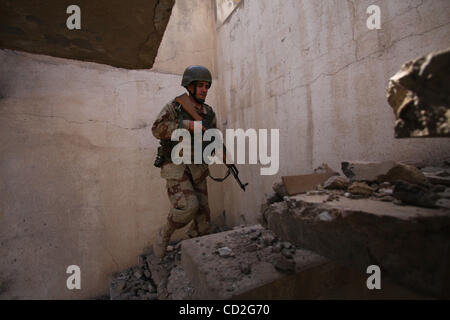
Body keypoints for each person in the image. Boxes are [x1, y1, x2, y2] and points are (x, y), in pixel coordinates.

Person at [151, 65, 217, 258]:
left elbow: (212, 136)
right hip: (176, 164)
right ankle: (165, 234)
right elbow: (157, 129)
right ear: (190, 87)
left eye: (207, 86)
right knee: (188, 207)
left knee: (203, 220)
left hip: (197, 165)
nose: (205, 90)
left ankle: (195, 252)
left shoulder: (209, 112)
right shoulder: (175, 107)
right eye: (201, 86)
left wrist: (214, 147)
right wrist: (184, 125)